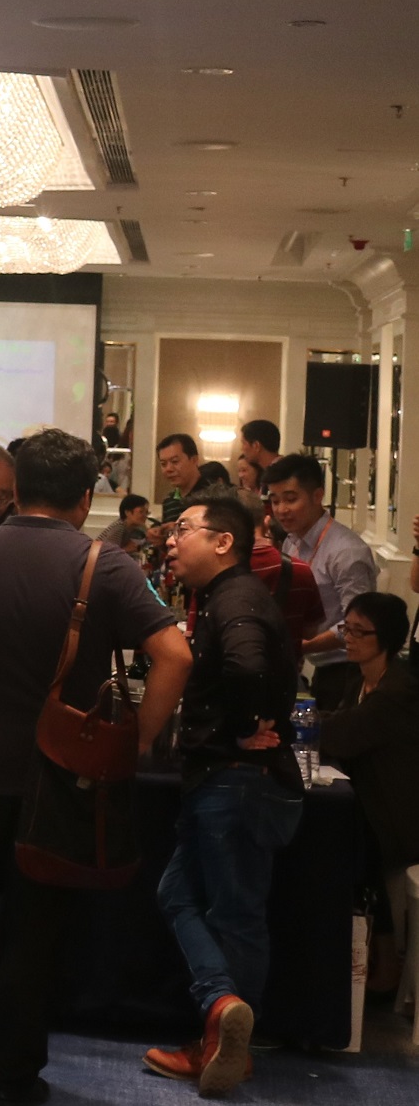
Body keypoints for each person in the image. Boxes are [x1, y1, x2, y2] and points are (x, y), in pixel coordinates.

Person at [0, 429, 189, 1100]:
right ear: (86, 497)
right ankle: (13, 1076)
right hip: (58, 778)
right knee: (33, 932)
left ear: (17, 489)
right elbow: (176, 656)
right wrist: (139, 741)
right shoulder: (104, 565)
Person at [146, 494, 305, 1093]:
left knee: (235, 915)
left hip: (238, 781)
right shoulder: (226, 596)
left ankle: (223, 1035)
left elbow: (246, 668)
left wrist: (241, 727)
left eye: (183, 529)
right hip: (228, 780)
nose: (170, 540)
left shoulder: (235, 598)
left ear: (223, 542)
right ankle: (221, 1011)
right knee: (179, 895)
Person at [316, 592, 419, 945]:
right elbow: (340, 721)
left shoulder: (398, 692)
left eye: (360, 631)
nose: (349, 638)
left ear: (386, 638)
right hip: (371, 808)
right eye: (347, 628)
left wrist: (296, 723)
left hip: (397, 820)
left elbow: (342, 735)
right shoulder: (361, 678)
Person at [265, 453, 378, 667]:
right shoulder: (292, 542)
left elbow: (358, 625)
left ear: (317, 496)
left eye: (291, 499)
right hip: (310, 663)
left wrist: (302, 646)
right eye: (275, 501)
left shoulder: (347, 552)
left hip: (345, 667)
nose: (281, 510)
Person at [98, 493, 151, 557]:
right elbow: (108, 554)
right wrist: (127, 549)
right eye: (141, 512)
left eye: (146, 512)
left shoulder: (139, 527)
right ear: (127, 512)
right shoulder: (118, 527)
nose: (145, 516)